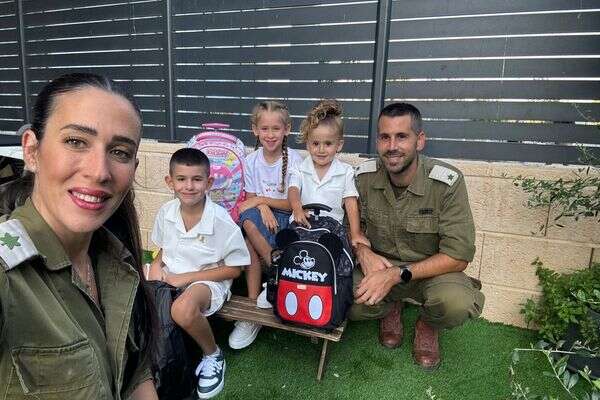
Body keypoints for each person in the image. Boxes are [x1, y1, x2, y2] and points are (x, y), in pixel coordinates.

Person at [0, 73, 158, 399]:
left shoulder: (117, 261)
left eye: (120, 152)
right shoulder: (7, 273)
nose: (99, 171)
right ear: (31, 150)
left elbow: (135, 376)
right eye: (76, 141)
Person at [351, 102, 485, 370]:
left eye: (402, 136)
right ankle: (391, 306)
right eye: (385, 137)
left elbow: (458, 256)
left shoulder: (446, 183)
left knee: (456, 303)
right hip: (380, 267)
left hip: (431, 274)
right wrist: (362, 252)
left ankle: (428, 323)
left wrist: (396, 275)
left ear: (419, 140)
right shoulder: (363, 178)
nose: (392, 146)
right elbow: (349, 227)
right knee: (345, 301)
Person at [148, 148, 250, 399]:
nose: (189, 186)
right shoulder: (166, 212)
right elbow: (163, 250)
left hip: (207, 281)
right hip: (171, 273)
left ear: (209, 182)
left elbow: (235, 269)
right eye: (181, 179)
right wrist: (155, 269)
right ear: (170, 182)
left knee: (182, 309)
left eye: (197, 179)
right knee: (131, 284)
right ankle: (146, 352)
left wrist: (186, 278)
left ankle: (213, 354)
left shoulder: (220, 220)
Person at [228, 100, 302, 350]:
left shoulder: (295, 159)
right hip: (262, 216)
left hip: (285, 219)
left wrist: (262, 201)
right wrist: (261, 206)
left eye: (276, 129)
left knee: (249, 239)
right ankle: (260, 299)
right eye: (265, 129)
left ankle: (270, 286)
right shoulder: (251, 161)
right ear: (255, 130)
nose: (270, 135)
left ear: (287, 129)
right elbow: (248, 203)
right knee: (247, 222)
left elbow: (292, 204)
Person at [288, 99, 369, 248]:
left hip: (331, 231)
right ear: (307, 144)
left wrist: (356, 233)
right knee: (290, 248)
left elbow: (351, 203)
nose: (321, 150)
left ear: (339, 145)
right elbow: (293, 190)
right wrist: (297, 209)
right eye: (315, 143)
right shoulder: (299, 168)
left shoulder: (346, 171)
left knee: (331, 253)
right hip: (303, 225)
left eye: (328, 144)